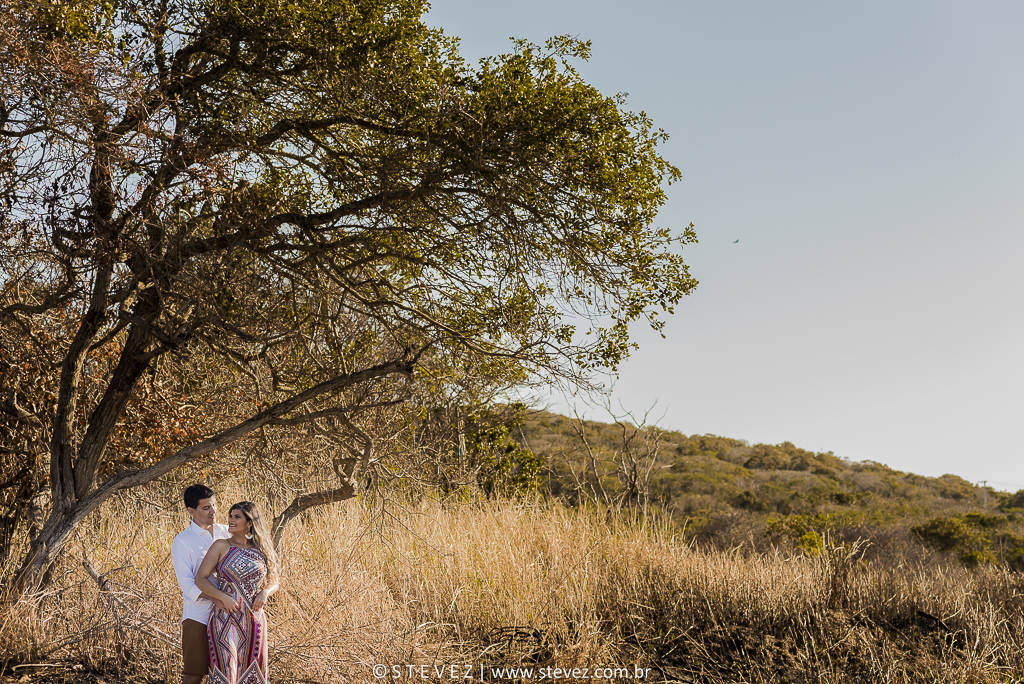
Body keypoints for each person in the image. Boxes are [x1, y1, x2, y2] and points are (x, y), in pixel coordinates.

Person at [195, 501, 280, 684]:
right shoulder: (221, 546)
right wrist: (222, 597)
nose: (230, 520)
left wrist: (265, 592)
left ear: (250, 523)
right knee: (226, 669)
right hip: (225, 617)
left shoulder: (262, 548)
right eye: (230, 516)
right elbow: (200, 579)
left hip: (254, 619)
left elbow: (275, 581)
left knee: (252, 671)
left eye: (237, 517)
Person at [171, 484, 231, 684]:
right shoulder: (183, 541)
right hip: (199, 615)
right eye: (206, 508)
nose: (213, 511)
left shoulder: (228, 533)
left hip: (231, 613)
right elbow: (187, 584)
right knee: (195, 672)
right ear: (191, 510)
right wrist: (218, 598)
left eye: (214, 505)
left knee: (228, 670)